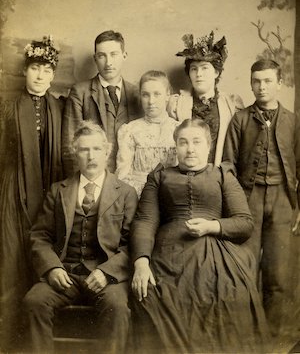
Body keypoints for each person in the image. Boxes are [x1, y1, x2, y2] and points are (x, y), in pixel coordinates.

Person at [130, 118, 270, 354]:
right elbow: (145, 221)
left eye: (196, 142)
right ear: (176, 147)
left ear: (208, 146)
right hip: (168, 254)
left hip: (217, 252)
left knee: (229, 293)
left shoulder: (222, 176)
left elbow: (245, 223)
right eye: (183, 143)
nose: (190, 148)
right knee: (152, 294)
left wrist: (212, 226)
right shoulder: (159, 177)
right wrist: (141, 262)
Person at [23, 121, 138, 354]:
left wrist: (107, 272)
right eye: (84, 150)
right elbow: (40, 235)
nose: (91, 156)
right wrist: (52, 268)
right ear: (75, 153)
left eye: (96, 149)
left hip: (106, 276)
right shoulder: (58, 190)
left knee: (118, 308)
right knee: (34, 302)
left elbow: (132, 244)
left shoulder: (125, 192)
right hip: (67, 274)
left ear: (107, 152)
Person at [223, 59, 300, 337]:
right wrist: (235, 205)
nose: (261, 86)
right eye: (256, 81)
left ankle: (276, 339)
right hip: (248, 200)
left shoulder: (292, 120)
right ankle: (245, 337)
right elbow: (228, 166)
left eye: (268, 81)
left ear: (279, 83)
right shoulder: (240, 120)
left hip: (283, 201)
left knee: (279, 274)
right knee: (244, 269)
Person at [0, 35, 64, 351]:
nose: (39, 75)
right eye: (34, 68)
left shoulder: (60, 107)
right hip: (14, 191)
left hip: (49, 187)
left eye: (46, 70)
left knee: (43, 251)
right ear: (26, 70)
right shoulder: (9, 107)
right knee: (12, 256)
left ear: (52, 74)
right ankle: (10, 340)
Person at [62, 30, 141, 175]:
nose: (108, 62)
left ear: (124, 56)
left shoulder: (137, 94)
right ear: (95, 59)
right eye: (101, 56)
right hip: (94, 178)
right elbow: (71, 146)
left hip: (129, 179)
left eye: (114, 54)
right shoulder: (80, 93)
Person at [168, 31, 244, 165]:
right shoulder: (177, 104)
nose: (199, 74)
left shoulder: (231, 104)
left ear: (216, 72)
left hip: (219, 175)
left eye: (204, 68)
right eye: (194, 69)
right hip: (185, 175)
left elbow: (236, 147)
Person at [116, 70, 179, 197]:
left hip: (172, 193)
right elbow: (122, 173)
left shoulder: (179, 129)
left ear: (167, 95)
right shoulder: (130, 130)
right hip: (138, 195)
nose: (151, 101)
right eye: (145, 95)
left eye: (157, 94)